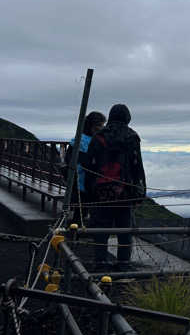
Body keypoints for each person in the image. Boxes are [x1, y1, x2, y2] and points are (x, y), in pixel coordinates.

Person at [87, 103, 146, 267]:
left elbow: (90, 165)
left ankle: (100, 263)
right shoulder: (132, 137)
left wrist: (89, 191)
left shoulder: (99, 136)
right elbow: (137, 167)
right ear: (127, 117)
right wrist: (140, 193)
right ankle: (123, 264)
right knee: (124, 230)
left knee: (101, 229)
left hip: (101, 192)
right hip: (124, 192)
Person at [63, 111, 106, 224]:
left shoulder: (78, 139)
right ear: (91, 126)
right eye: (99, 125)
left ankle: (75, 234)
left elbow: (68, 159)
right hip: (86, 182)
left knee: (80, 212)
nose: (101, 128)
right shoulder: (92, 141)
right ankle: (81, 235)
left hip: (79, 181)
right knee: (86, 212)